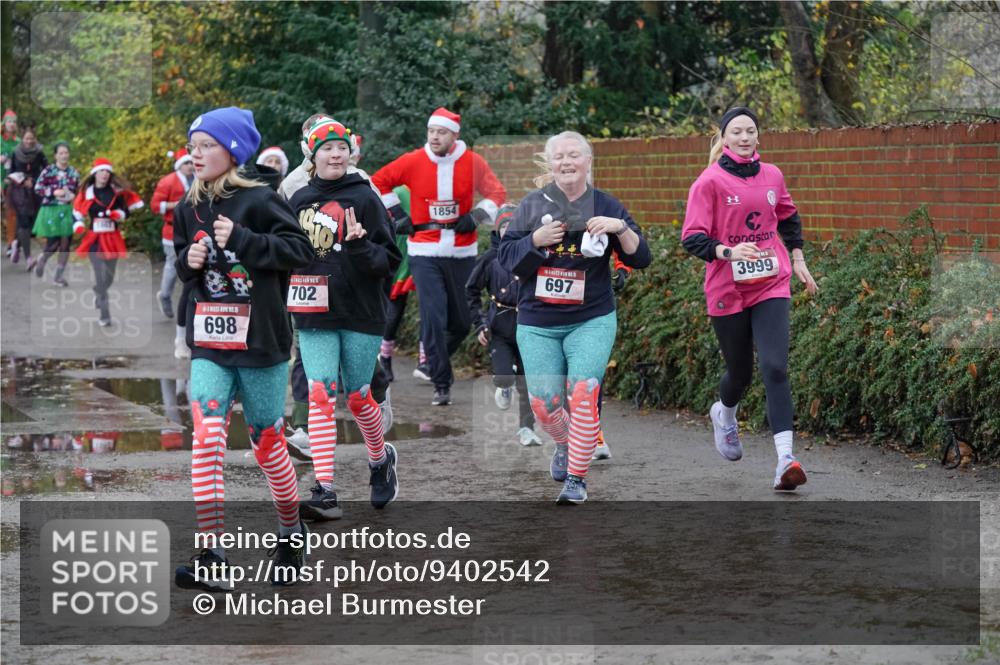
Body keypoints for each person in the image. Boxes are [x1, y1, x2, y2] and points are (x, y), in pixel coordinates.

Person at [170, 107, 314, 589]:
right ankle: (212, 555)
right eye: (192, 146)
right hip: (210, 342)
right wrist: (188, 262)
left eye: (206, 145)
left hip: (261, 342)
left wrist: (246, 240)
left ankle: (291, 533)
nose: (196, 154)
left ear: (232, 151)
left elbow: (300, 252)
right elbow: (185, 267)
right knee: (207, 436)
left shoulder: (261, 200)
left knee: (267, 443)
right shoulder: (187, 206)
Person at [498, 131, 651, 504]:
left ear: (588, 161)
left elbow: (641, 257)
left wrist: (620, 229)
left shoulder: (606, 204)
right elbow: (504, 259)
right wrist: (534, 240)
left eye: (573, 155)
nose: (566, 162)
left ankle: (576, 479)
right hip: (538, 323)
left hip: (591, 319)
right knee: (544, 404)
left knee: (583, 393)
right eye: (559, 157)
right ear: (550, 164)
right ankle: (566, 445)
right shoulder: (531, 205)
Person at [680, 106, 818, 491]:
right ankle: (724, 415)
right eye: (737, 131)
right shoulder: (709, 181)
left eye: (750, 131)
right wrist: (729, 252)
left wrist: (799, 259)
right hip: (727, 287)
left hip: (771, 282)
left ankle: (786, 460)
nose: (744, 137)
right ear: (724, 138)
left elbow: (788, 217)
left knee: (775, 367)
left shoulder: (772, 175)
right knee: (740, 373)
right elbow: (692, 238)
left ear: (758, 136)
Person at [288, 117, 402, 520]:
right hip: (312, 310)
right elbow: (286, 253)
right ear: (312, 155)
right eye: (327, 148)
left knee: (357, 396)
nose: (336, 154)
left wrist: (359, 247)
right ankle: (325, 490)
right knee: (321, 393)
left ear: (351, 152)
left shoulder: (365, 197)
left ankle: (380, 459)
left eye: (342, 148)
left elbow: (389, 261)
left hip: (360, 311)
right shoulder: (299, 199)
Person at [372, 107, 507, 406]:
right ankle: (441, 383)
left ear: (454, 135)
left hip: (462, 251)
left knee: (461, 322)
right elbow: (379, 181)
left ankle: (433, 362)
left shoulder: (472, 162)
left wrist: (476, 215)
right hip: (424, 250)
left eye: (441, 132)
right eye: (431, 131)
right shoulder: (413, 160)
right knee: (433, 316)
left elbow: (497, 193)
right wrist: (397, 214)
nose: (434, 137)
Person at [466, 203, 542, 447]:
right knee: (505, 376)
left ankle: (526, 429)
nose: (509, 230)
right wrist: (480, 324)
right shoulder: (490, 259)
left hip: (528, 326)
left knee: (527, 382)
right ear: (497, 229)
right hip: (499, 327)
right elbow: (471, 291)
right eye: (505, 226)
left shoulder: (533, 255)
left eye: (514, 226)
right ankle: (504, 386)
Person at [71, 158, 144, 327]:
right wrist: (78, 224)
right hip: (95, 240)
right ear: (95, 174)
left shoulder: (116, 192)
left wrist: (120, 214)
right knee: (100, 274)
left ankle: (98, 290)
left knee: (109, 277)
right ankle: (105, 315)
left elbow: (126, 211)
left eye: (107, 172)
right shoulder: (87, 193)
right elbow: (76, 213)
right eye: (101, 171)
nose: (104, 174)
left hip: (113, 239)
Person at [150, 148, 196, 360]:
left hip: (192, 233)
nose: (190, 166)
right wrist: (175, 205)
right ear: (179, 165)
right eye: (186, 163)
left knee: (187, 276)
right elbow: (154, 206)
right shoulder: (168, 181)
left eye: (191, 163)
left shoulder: (199, 179)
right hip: (171, 231)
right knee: (172, 265)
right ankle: (165, 295)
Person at [31, 141, 79, 286]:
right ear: (55, 156)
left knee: (65, 243)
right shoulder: (48, 171)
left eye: (66, 153)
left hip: (66, 210)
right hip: (50, 210)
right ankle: (42, 259)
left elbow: (76, 190)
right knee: (53, 243)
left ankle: (58, 277)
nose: (64, 156)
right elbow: (38, 188)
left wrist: (73, 195)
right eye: (61, 153)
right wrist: (53, 192)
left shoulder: (73, 172)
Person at [6, 127, 47, 267]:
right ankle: (28, 258)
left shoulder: (39, 152)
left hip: (35, 191)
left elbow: (46, 170)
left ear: (35, 139)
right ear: (22, 139)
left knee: (31, 223)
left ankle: (17, 243)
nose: (29, 141)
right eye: (26, 139)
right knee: (23, 220)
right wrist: (21, 180)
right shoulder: (15, 152)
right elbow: (11, 171)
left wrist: (34, 181)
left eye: (31, 138)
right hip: (19, 191)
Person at [2, 109, 19, 254]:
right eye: (9, 121)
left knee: (11, 213)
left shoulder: (18, 142)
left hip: (11, 182)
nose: (11, 124)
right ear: (4, 123)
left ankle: (10, 243)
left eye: (14, 122)